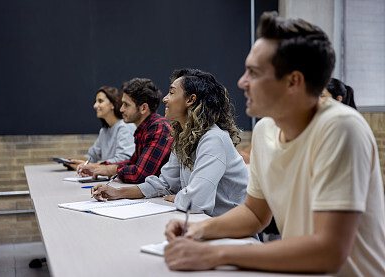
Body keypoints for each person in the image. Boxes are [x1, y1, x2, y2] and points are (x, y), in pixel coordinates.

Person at [163, 11, 385, 276]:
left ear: (293, 81)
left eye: (254, 73)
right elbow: (256, 215)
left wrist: (214, 253)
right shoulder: (266, 129)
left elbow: (329, 252)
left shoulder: (341, 128)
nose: (241, 82)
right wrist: (198, 229)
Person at [91, 69, 249, 216]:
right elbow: (164, 184)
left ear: (191, 100)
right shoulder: (183, 137)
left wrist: (182, 196)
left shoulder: (214, 138)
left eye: (171, 92)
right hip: (204, 224)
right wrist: (118, 193)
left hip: (232, 234)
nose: (165, 99)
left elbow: (194, 203)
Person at [78, 78, 172, 184]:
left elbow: (139, 175)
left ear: (143, 108)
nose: (121, 109)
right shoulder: (143, 129)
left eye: (126, 105)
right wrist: (100, 167)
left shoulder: (159, 128)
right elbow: (133, 163)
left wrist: (109, 170)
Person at [64, 86, 136, 170]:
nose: (95, 105)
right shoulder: (104, 131)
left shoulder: (125, 127)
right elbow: (92, 156)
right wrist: (76, 161)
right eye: (95, 102)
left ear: (113, 105)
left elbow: (123, 160)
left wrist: (92, 166)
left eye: (100, 101)